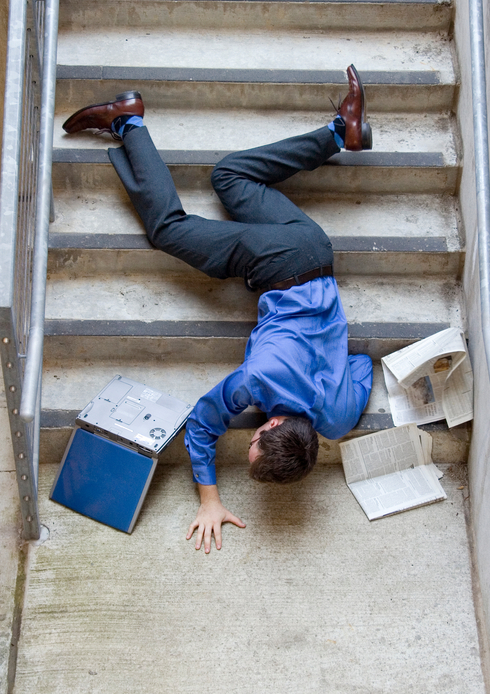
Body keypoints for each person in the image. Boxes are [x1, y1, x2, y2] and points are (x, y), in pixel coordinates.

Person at [63, 66, 374, 553]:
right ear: (271, 425)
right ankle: (128, 122)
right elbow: (203, 424)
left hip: (315, 249)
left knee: (229, 176)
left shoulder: (337, 419)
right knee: (168, 230)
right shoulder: (258, 379)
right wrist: (209, 499)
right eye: (252, 442)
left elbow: (360, 363)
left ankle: (339, 133)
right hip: (275, 264)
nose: (247, 436)